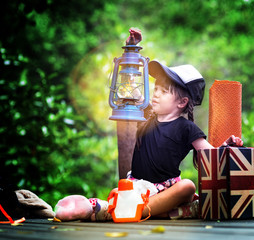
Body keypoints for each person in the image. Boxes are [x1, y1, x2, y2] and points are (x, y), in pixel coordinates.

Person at [54, 60, 243, 221]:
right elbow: (130, 91)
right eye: (156, 88)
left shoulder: (187, 128)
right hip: (137, 185)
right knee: (122, 189)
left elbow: (209, 154)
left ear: (182, 102)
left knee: (188, 186)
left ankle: (109, 210)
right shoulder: (146, 116)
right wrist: (131, 53)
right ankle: (169, 213)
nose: (156, 94)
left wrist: (226, 146)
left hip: (164, 189)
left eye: (163, 91)